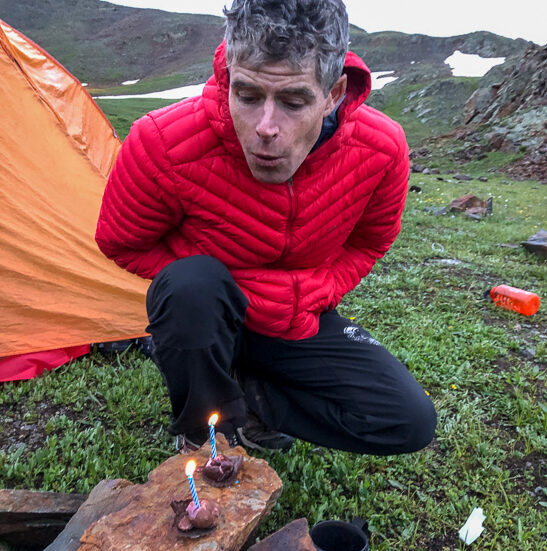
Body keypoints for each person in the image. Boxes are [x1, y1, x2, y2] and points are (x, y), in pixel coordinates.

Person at [95, 0, 436, 454]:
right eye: (248, 96)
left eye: (294, 102)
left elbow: (371, 240)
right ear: (228, 77)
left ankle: (251, 401)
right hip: (208, 317)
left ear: (333, 94)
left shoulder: (382, 148)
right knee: (191, 286)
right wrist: (221, 290)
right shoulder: (161, 141)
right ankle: (204, 424)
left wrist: (323, 289)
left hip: (298, 320)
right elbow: (122, 240)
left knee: (408, 421)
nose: (265, 128)